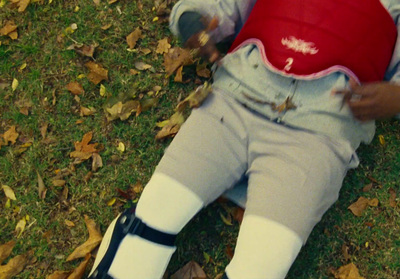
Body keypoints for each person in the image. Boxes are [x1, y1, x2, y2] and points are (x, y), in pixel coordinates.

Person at [88, 0, 400, 278]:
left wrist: (396, 97)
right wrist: (192, 22)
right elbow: (210, 8)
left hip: (317, 136)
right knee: (150, 222)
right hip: (234, 102)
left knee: (260, 268)